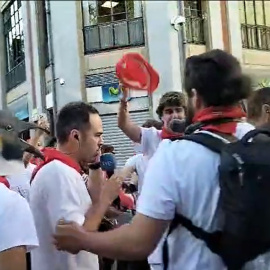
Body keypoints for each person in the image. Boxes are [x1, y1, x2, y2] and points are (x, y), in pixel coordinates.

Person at [53, 49, 256, 270]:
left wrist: (82, 239)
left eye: (180, 107)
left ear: (195, 97)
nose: (176, 114)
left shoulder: (173, 155)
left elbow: (139, 242)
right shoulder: (257, 139)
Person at [30, 102, 122, 270]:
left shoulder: (65, 170)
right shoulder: (59, 173)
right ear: (76, 136)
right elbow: (74, 241)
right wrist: (105, 199)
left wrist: (95, 164)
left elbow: (90, 207)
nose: (102, 142)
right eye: (97, 135)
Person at [118, 90, 187, 159]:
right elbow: (124, 125)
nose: (174, 115)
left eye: (178, 110)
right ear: (161, 116)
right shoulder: (152, 137)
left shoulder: (194, 138)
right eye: (169, 112)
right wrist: (123, 100)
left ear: (185, 114)